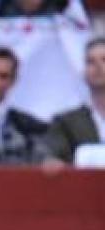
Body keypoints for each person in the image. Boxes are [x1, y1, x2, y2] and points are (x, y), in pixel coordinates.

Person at [45, 37, 105, 166]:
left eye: (104, 60)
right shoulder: (65, 122)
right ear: (84, 72)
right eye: (90, 62)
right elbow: (55, 160)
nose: (98, 67)